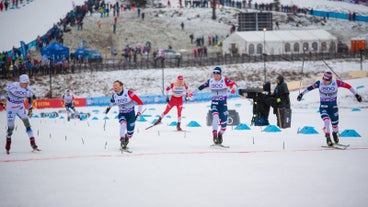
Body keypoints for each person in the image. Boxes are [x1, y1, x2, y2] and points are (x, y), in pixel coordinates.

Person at [297, 71, 362, 146]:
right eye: (323, 79)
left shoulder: (336, 83)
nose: (324, 81)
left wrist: (356, 95)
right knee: (326, 121)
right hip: (323, 107)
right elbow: (309, 88)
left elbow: (348, 86)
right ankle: (328, 138)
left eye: (326, 80)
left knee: (335, 126)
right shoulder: (320, 83)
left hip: (333, 107)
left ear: (330, 80)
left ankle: (334, 133)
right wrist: (301, 94)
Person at [191, 67, 238, 145]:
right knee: (215, 117)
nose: (215, 76)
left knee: (224, 126)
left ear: (220, 75)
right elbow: (201, 87)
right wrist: (192, 93)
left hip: (223, 104)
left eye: (217, 74)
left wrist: (233, 89)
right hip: (215, 103)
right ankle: (214, 135)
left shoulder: (225, 80)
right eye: (214, 74)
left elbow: (234, 84)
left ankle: (220, 134)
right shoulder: (211, 81)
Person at [4, 74, 39, 154]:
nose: (27, 84)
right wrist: (2, 98)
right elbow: (3, 91)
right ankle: (8, 140)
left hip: (20, 106)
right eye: (25, 83)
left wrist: (30, 108)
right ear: (21, 82)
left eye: (28, 83)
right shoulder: (13, 86)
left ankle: (33, 143)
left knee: (27, 124)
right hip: (11, 107)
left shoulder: (28, 89)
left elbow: (30, 99)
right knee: (11, 128)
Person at [104, 80, 143, 150]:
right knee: (123, 123)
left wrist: (138, 114)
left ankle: (126, 138)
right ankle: (122, 139)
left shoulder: (129, 93)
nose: (114, 87)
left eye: (116, 85)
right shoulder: (114, 96)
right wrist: (108, 109)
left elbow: (140, 102)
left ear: (121, 86)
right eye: (113, 86)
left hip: (131, 115)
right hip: (122, 113)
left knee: (130, 134)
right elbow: (112, 102)